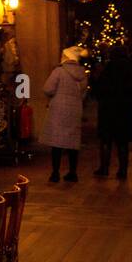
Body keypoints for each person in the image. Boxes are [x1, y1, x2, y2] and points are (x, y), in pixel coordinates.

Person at [92, 45, 132, 179]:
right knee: (123, 142)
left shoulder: (108, 69)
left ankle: (104, 168)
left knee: (106, 141)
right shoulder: (130, 69)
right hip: (125, 110)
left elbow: (99, 89)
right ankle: (123, 170)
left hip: (108, 109)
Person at [41, 45, 88, 183]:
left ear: (66, 57)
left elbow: (48, 88)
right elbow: (84, 92)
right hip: (75, 109)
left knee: (57, 142)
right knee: (73, 142)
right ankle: (73, 172)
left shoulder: (59, 71)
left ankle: (55, 173)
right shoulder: (82, 73)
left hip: (59, 110)